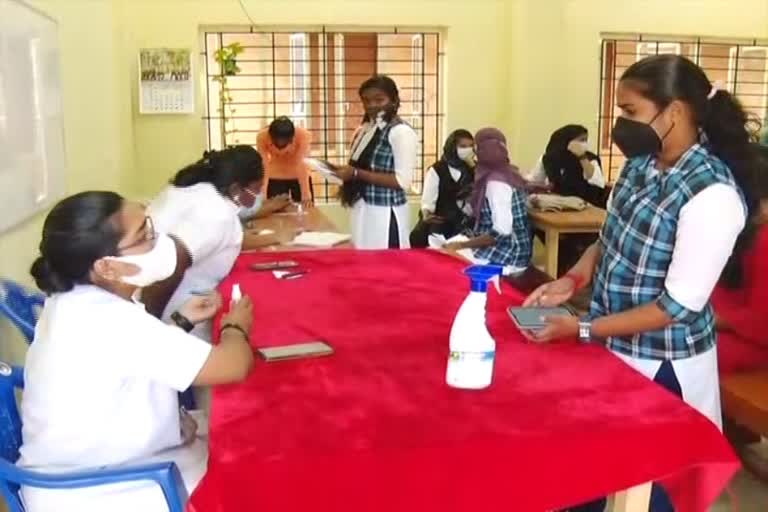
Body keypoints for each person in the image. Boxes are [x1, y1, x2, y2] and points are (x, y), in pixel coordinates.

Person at [522, 55, 762, 512]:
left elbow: (673, 308)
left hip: (663, 367)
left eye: (630, 111)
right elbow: (608, 239)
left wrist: (583, 329)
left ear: (673, 112)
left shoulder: (712, 194)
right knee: (588, 478)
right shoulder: (639, 168)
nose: (620, 124)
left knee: (651, 493)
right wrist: (571, 281)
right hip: (612, 348)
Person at [19, 191, 255, 512]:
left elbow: (130, 360)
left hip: (79, 465)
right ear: (106, 266)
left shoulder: (72, 300)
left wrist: (181, 320)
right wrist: (235, 326)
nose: (159, 242)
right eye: (144, 235)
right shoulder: (109, 319)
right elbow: (232, 365)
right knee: (248, 465)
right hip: (98, 491)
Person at [142, 146, 293, 326]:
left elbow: (209, 241)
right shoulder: (216, 213)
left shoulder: (195, 190)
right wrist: (150, 325)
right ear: (236, 188)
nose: (259, 196)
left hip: (177, 301)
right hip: (178, 311)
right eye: (257, 189)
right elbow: (172, 264)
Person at [332, 75, 419, 249]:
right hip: (364, 208)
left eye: (379, 99)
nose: (372, 105)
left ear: (394, 100)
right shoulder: (367, 129)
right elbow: (360, 165)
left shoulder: (400, 132)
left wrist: (357, 173)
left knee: (387, 267)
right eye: (366, 100)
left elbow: (402, 181)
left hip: (385, 214)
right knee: (363, 265)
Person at [712, 146, 768, 375]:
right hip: (723, 331)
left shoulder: (763, 238)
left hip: (751, 343)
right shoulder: (736, 229)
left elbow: (761, 321)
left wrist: (706, 319)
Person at [444, 128, 532, 274]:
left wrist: (461, 245)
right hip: (510, 247)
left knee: (445, 258)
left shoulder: (495, 183)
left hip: (509, 255)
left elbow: (502, 231)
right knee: (448, 246)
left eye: (476, 148)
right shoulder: (508, 172)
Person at [409, 129, 475, 248]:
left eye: (471, 146)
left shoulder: (473, 170)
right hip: (441, 226)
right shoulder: (437, 170)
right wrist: (427, 213)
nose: (467, 150)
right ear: (452, 147)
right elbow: (428, 202)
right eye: (463, 146)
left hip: (465, 228)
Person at [527, 124, 608, 207]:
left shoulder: (590, 158)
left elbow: (597, 182)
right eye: (581, 140)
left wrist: (582, 156)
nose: (585, 143)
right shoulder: (548, 158)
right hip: (560, 204)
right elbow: (536, 180)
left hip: (587, 205)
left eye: (586, 140)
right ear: (566, 141)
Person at [256, 116, 313, 207]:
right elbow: (263, 164)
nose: (280, 143)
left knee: (306, 208)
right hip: (275, 176)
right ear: (271, 136)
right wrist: (262, 194)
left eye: (284, 141)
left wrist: (305, 193)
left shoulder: (303, 135)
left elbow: (301, 162)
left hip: (300, 176)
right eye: (277, 140)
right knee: (273, 211)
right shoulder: (262, 136)